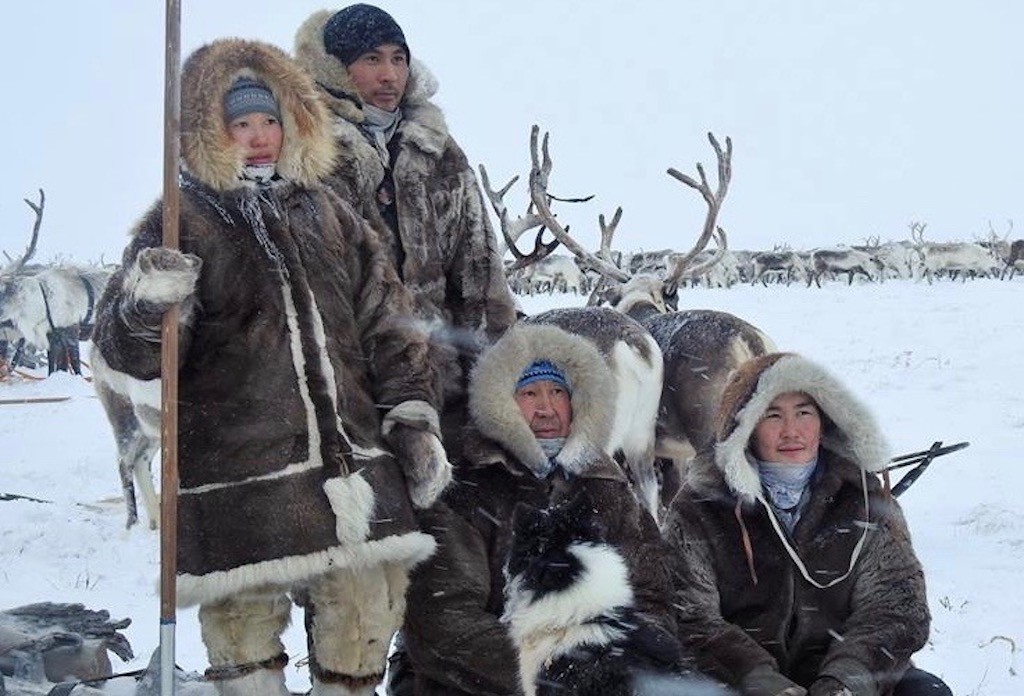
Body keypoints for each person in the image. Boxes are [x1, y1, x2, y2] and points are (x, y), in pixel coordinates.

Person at [90, 38, 452, 696]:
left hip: (354, 462)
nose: (258, 137)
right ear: (211, 133)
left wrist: (412, 415)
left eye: (269, 121)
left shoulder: (331, 214)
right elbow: (123, 353)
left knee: (367, 613)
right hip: (236, 474)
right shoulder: (180, 222)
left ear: (292, 125)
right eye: (240, 124)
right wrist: (150, 300)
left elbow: (391, 325)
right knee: (244, 630)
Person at [384, 323, 688, 695]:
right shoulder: (466, 487)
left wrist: (618, 663)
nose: (546, 409)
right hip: (475, 683)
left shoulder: (608, 485)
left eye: (558, 392)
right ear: (502, 402)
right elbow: (445, 622)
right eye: (529, 393)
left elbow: (652, 595)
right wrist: (551, 675)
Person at [294, 4, 518, 460]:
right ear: (338, 67)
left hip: (443, 378)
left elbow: (479, 275)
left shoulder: (438, 151)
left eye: (398, 58)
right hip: (348, 379)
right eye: (372, 59)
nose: (389, 74)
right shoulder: (309, 152)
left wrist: (493, 380)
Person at [662, 352, 952, 696]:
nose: (791, 431)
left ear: (824, 420)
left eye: (804, 413)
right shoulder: (701, 507)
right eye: (772, 415)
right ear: (747, 428)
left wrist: (845, 680)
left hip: (846, 673)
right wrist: (760, 680)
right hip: (739, 679)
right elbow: (689, 614)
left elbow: (896, 608)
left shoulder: (865, 499)